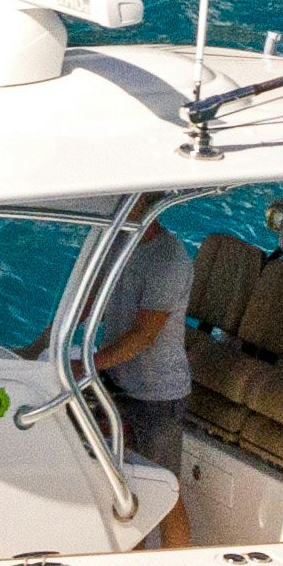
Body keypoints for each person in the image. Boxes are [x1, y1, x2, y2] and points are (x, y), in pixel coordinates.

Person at [91, 215, 196, 547]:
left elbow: (143, 335)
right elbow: (87, 306)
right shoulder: (118, 243)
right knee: (124, 486)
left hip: (157, 394)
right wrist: (39, 348)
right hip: (117, 383)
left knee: (165, 488)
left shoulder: (169, 259)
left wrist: (88, 365)